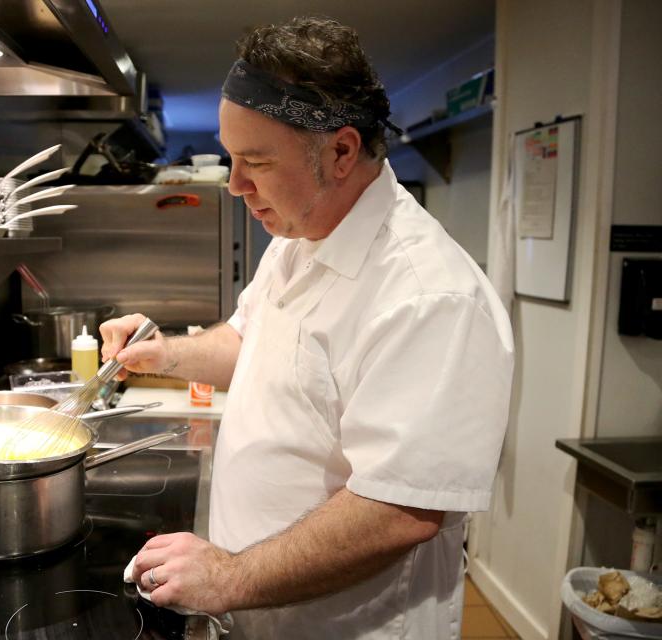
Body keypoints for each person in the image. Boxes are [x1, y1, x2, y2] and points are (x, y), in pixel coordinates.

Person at [100, 16, 514, 640]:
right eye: (233, 159)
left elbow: (399, 510)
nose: (237, 186)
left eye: (256, 163)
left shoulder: (430, 296)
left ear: (342, 151)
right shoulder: (299, 237)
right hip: (262, 607)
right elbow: (249, 342)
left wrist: (229, 576)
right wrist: (165, 354)